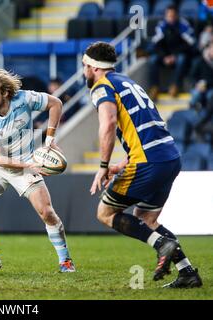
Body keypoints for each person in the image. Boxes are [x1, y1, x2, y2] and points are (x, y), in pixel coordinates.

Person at [84, 41, 202, 288]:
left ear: (94, 67)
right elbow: (146, 129)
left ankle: (162, 245)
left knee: (105, 213)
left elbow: (107, 124)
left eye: (85, 65)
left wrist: (103, 165)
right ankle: (187, 273)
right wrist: (120, 164)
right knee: (146, 217)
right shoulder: (128, 82)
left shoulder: (101, 86)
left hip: (148, 160)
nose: (84, 70)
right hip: (169, 156)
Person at [0, 69, 75, 272]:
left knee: (46, 212)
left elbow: (56, 104)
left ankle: (65, 260)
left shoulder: (24, 98)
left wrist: (50, 139)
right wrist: (28, 165)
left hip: (27, 163)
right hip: (0, 166)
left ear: (6, 93)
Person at [148, 5, 195, 100]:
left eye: (172, 16)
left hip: (179, 55)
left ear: (177, 15)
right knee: (152, 59)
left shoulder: (183, 25)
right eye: (168, 16)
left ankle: (175, 86)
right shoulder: (161, 26)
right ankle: (155, 87)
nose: (170, 18)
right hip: (165, 57)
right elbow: (156, 45)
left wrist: (174, 56)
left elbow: (190, 44)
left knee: (182, 59)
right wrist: (164, 57)